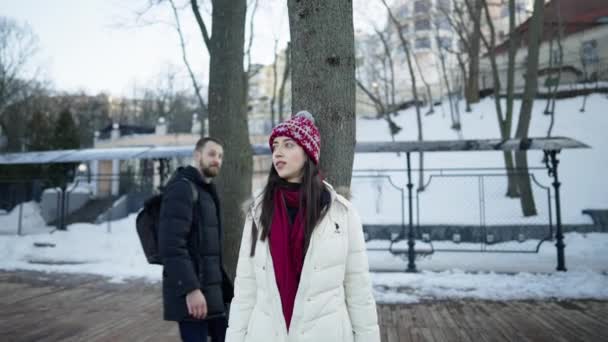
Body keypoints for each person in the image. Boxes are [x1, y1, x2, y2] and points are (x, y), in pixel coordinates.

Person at [226, 111, 380, 342]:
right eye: (275, 145)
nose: (278, 152)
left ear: (308, 153)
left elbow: (359, 291)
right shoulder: (257, 213)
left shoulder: (340, 213)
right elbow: (245, 292)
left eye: (289, 145)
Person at [159, 137, 233, 342]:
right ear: (197, 155)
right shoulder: (182, 188)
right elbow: (171, 246)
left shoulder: (206, 191)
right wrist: (191, 289)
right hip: (192, 298)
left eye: (220, 156)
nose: (217, 160)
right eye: (211, 154)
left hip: (213, 297)